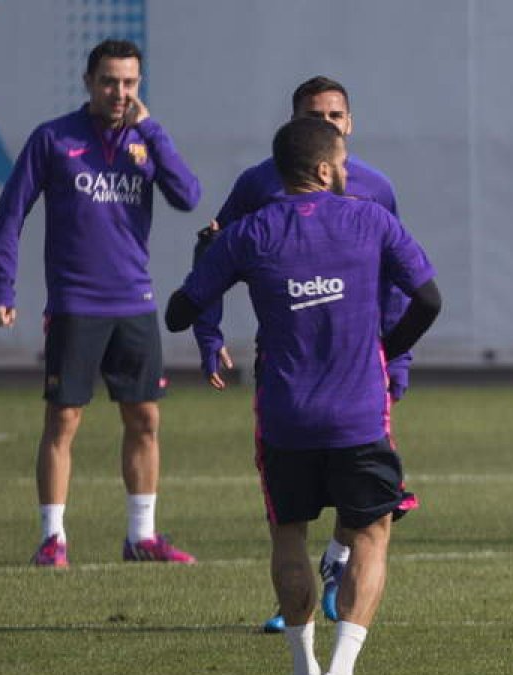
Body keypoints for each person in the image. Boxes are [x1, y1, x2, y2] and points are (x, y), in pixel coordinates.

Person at [166, 117, 441, 675]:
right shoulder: (370, 219)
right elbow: (429, 300)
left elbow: (179, 313)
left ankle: (303, 665)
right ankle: (340, 668)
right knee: (370, 532)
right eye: (340, 162)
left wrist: (211, 259)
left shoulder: (250, 233)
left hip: (285, 418)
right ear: (322, 169)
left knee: (288, 534)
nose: (345, 170)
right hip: (359, 415)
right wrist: (386, 349)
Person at [0, 39, 201, 567]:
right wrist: (2, 286)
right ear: (88, 82)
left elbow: (188, 195)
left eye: (129, 82)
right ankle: (52, 539)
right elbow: (12, 212)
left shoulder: (144, 139)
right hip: (76, 303)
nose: (119, 92)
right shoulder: (54, 139)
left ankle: (141, 538)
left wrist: (150, 130)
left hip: (134, 302)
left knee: (144, 419)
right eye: (109, 81)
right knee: (63, 422)